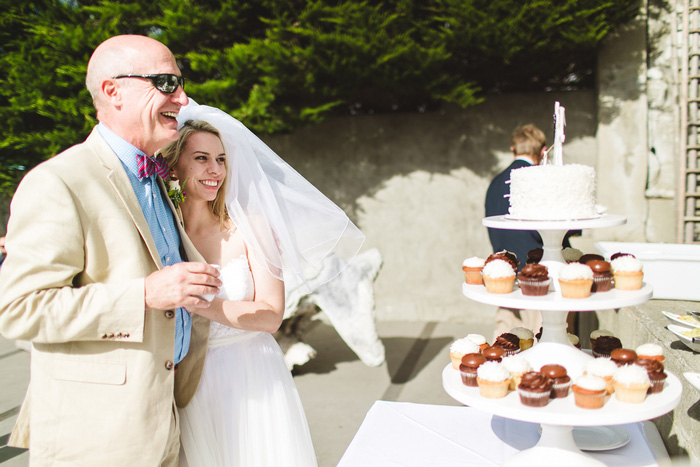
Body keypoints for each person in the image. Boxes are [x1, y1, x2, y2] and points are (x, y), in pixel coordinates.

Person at [0, 35, 220, 466]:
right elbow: (19, 308)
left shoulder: (156, 177)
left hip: (168, 419)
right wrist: (143, 295)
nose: (183, 96)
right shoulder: (58, 182)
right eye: (165, 82)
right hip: (99, 438)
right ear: (112, 91)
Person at [161, 101, 364, 467]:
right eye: (202, 158)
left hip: (250, 373)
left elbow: (272, 316)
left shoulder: (250, 226)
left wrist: (200, 303)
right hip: (191, 381)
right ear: (175, 164)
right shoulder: (165, 233)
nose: (215, 170)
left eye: (221, 159)